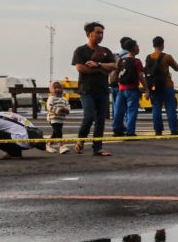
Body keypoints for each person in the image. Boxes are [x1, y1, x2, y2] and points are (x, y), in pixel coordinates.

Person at [71, 21, 117, 156]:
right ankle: (81, 140)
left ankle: (98, 148)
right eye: (98, 32)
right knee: (89, 116)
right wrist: (102, 69)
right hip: (87, 89)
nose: (100, 35)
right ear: (89, 34)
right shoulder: (80, 50)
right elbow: (80, 68)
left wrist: (97, 64)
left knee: (101, 120)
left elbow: (114, 66)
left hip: (102, 89)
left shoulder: (106, 51)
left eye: (102, 33)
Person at [145, 36, 178, 135]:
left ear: (153, 45)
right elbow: (177, 68)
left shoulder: (149, 57)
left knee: (156, 107)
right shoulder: (167, 57)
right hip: (167, 85)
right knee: (170, 107)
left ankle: (158, 130)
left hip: (154, 86)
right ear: (162, 44)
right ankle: (174, 130)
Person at [111, 37, 146, 138]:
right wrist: (146, 88)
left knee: (118, 110)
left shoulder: (121, 60)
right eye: (137, 46)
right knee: (132, 111)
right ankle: (130, 132)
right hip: (132, 89)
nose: (138, 48)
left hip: (121, 89)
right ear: (133, 48)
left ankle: (117, 130)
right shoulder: (137, 61)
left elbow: (117, 73)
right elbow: (140, 76)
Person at [44, 81, 72, 154]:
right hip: (53, 118)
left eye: (59, 88)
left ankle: (48, 145)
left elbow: (68, 106)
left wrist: (66, 110)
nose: (57, 89)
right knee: (58, 131)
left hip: (60, 119)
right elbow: (49, 107)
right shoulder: (51, 98)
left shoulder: (64, 99)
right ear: (51, 90)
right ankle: (61, 146)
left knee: (55, 132)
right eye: (55, 88)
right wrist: (58, 110)